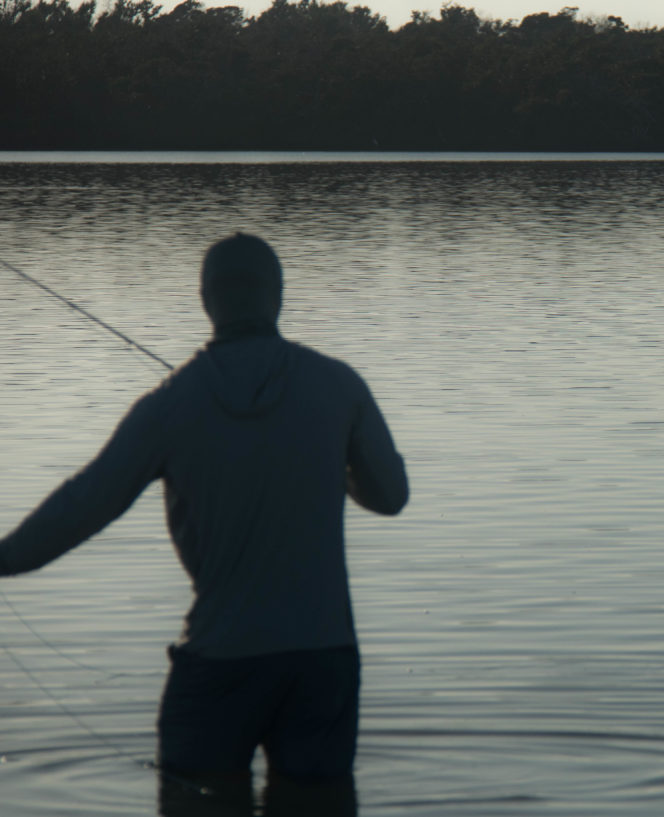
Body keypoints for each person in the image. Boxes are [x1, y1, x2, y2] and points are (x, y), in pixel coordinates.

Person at [0, 233, 409, 811]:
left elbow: (86, 503)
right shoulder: (338, 385)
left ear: (206, 301)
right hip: (322, 664)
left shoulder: (171, 405)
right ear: (279, 297)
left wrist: (6, 559)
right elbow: (391, 496)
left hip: (219, 666)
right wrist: (332, 457)